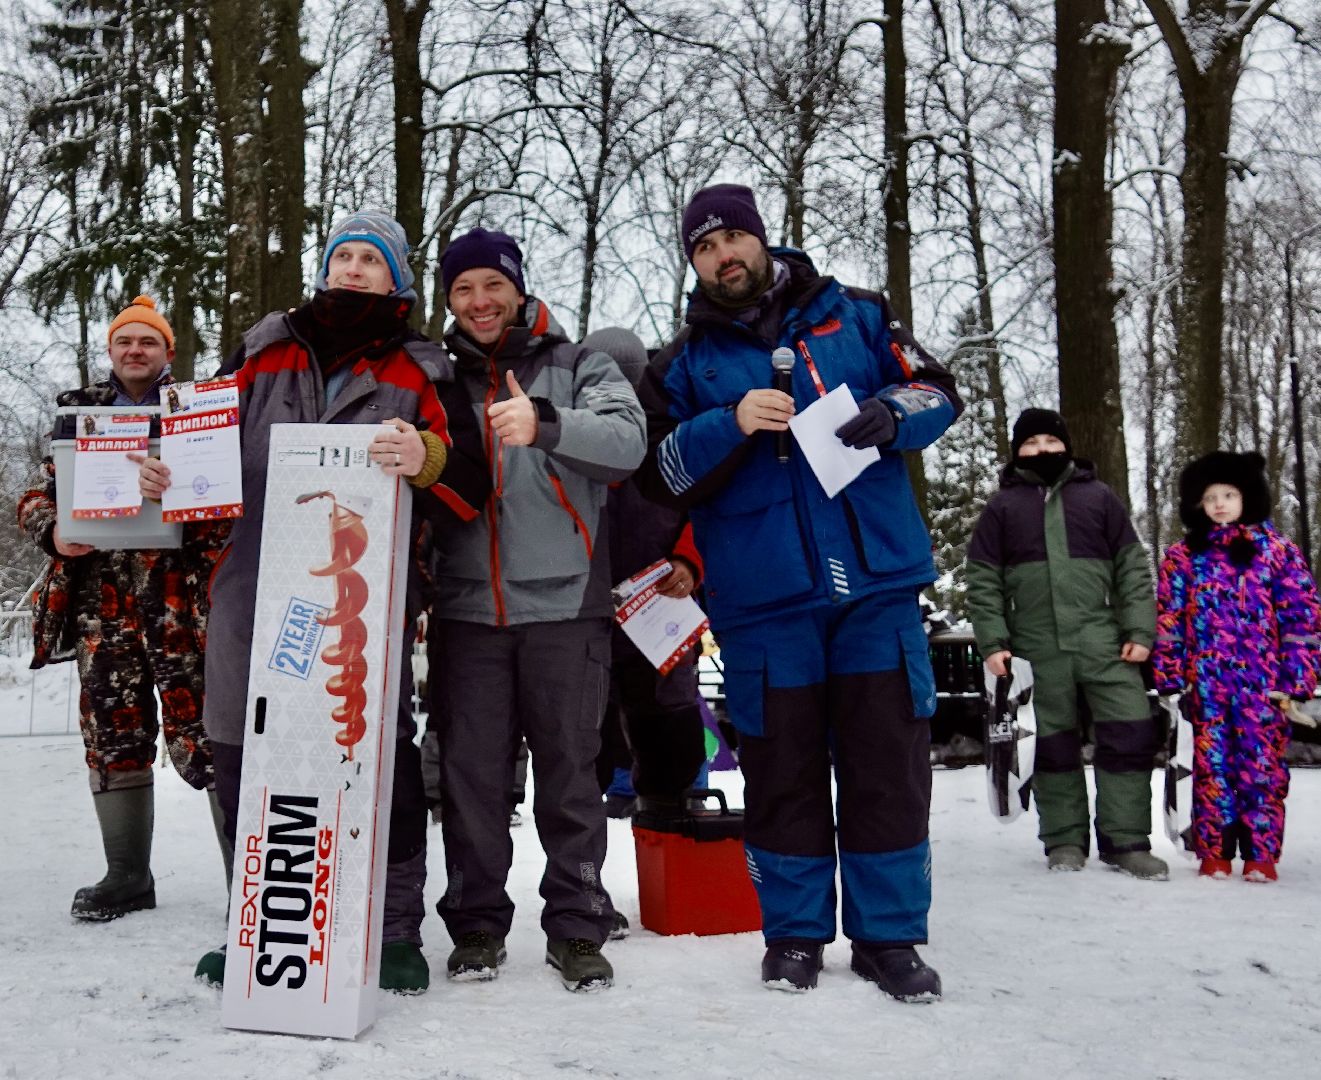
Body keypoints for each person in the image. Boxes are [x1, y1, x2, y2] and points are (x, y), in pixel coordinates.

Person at [139, 210, 489, 994]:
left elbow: (471, 484)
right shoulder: (264, 350)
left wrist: (426, 456)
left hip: (359, 596)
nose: (354, 269)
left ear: (395, 279)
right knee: (238, 745)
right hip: (251, 584)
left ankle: (393, 929)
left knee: (375, 749)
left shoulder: (420, 371)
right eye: (343, 256)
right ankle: (252, 923)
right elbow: (199, 443)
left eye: (371, 259)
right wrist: (164, 468)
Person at [636, 184, 961, 1001]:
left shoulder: (852, 314)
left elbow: (937, 390)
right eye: (704, 248)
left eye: (732, 239)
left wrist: (892, 415)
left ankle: (889, 938)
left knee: (886, 768)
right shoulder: (679, 363)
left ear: (760, 239)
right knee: (781, 774)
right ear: (692, 261)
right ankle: (794, 936)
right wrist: (732, 421)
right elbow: (659, 472)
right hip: (762, 604)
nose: (722, 257)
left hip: (875, 588)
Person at [428, 228, 645, 992]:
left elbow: (627, 442)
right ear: (447, 299)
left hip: (564, 606)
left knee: (569, 774)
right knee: (472, 779)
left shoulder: (577, 360)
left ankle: (578, 925)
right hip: (465, 611)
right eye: (462, 290)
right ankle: (477, 924)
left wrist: (545, 425)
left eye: (492, 286)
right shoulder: (435, 371)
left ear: (516, 289)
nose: (479, 302)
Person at [17, 296, 226, 921]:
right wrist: (53, 530)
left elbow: (229, 500)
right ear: (111, 351)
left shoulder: (197, 414)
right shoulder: (78, 416)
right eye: (124, 342)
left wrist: (187, 495)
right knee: (112, 730)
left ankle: (245, 882)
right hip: (101, 605)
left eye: (149, 342)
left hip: (182, 605)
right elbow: (33, 497)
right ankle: (127, 875)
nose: (136, 351)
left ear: (169, 352)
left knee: (212, 732)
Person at [967, 408, 1167, 879]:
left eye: (1050, 442)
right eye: (1030, 444)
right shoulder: (1002, 509)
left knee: (1129, 735)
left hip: (1105, 643)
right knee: (1052, 746)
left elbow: (1132, 570)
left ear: (1066, 446)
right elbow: (983, 582)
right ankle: (1064, 840)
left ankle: (1126, 841)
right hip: (1036, 649)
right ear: (1017, 452)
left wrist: (1140, 631)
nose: (1042, 451)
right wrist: (994, 642)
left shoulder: (1099, 499)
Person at [1152, 451, 1319, 881]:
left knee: (1262, 769)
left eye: (1229, 494)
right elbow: (1170, 620)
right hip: (1206, 687)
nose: (1221, 504)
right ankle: (1215, 850)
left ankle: (1261, 854)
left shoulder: (1278, 553)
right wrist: (1169, 675)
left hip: (1264, 689)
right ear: (1198, 504)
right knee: (1211, 771)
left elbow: (1301, 619)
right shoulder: (1183, 557)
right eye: (1211, 497)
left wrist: (1296, 680)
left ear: (1248, 498)